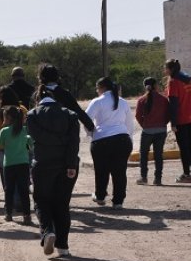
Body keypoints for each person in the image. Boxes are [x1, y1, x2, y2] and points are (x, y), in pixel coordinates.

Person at [26, 86, 80, 258]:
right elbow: (74, 143)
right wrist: (71, 165)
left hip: (42, 164)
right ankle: (63, 246)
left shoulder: (32, 115)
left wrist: (54, 141)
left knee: (41, 201)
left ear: (37, 100)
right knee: (62, 205)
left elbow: (39, 138)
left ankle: (48, 231)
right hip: (67, 165)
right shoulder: (71, 115)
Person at [85, 78, 134, 209]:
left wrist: (92, 134)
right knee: (120, 171)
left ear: (101, 87)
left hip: (102, 140)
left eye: (97, 88)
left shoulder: (97, 101)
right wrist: (128, 137)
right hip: (123, 139)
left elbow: (86, 120)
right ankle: (118, 201)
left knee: (101, 170)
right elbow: (129, 124)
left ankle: (100, 196)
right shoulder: (123, 102)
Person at [165, 59, 191, 183]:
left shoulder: (174, 83)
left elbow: (173, 104)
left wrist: (173, 123)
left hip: (182, 119)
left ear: (171, 69)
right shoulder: (190, 79)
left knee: (183, 147)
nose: (165, 71)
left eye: (166, 68)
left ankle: (186, 174)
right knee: (189, 144)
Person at [0, 86, 27, 193]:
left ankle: (9, 201)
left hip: (2, 148)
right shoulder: (22, 109)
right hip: (21, 148)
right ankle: (20, 202)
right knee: (21, 175)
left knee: (6, 176)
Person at [0, 106, 33, 224]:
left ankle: (8, 214)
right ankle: (27, 215)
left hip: (9, 164)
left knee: (9, 189)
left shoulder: (4, 131)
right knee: (24, 190)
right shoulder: (24, 130)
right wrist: (25, 147)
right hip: (23, 163)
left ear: (8, 118)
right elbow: (30, 145)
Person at [36, 65, 95, 134]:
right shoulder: (65, 94)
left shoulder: (37, 95)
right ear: (57, 77)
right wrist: (90, 126)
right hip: (62, 135)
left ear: (41, 77)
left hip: (42, 136)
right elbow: (78, 112)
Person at [135, 77, 171, 185]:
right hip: (161, 130)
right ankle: (158, 179)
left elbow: (137, 116)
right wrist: (163, 124)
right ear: (155, 86)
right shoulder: (164, 99)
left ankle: (144, 177)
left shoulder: (141, 100)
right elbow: (168, 115)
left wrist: (144, 125)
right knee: (158, 155)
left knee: (144, 155)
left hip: (147, 131)